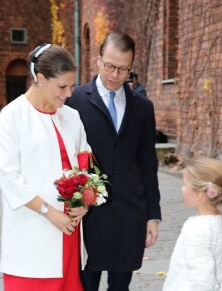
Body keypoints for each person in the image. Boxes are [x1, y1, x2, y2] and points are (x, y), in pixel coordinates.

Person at [67, 32, 161, 291]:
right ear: (98, 59)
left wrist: (152, 215)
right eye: (109, 65)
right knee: (86, 283)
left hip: (130, 212)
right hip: (88, 214)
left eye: (123, 69)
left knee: (121, 285)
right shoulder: (73, 101)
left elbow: (148, 163)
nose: (114, 75)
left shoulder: (143, 107)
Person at [0, 44, 91, 291]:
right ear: (40, 78)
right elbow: (9, 177)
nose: (68, 93)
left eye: (72, 86)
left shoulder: (72, 117)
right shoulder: (11, 116)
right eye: (62, 87)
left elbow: (84, 164)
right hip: (31, 236)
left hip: (68, 233)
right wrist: (49, 212)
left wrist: (85, 201)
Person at [163, 156, 222, 291]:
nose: (182, 188)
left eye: (185, 185)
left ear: (200, 193)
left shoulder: (196, 228)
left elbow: (202, 281)